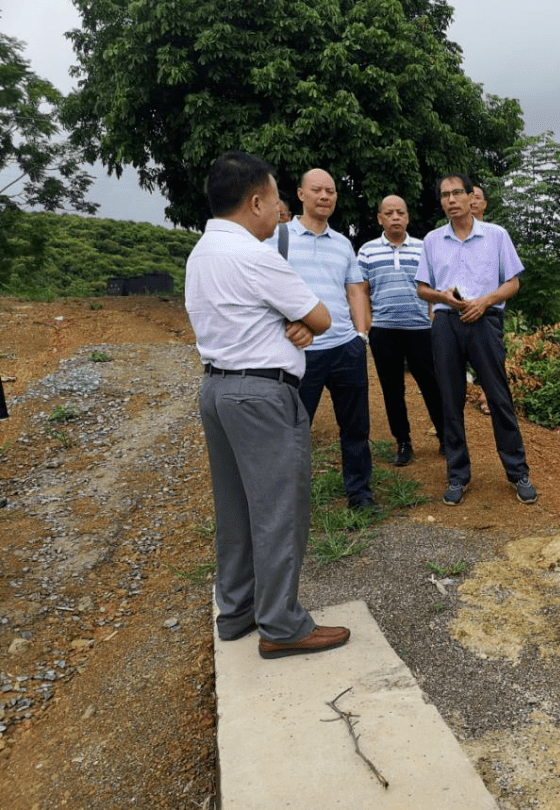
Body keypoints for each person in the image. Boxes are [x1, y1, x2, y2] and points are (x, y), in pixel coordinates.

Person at [185, 150, 349, 659]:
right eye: (277, 199)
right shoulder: (255, 256)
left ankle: (237, 612)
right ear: (256, 201)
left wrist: (287, 321)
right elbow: (320, 317)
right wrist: (300, 322)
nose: (280, 210)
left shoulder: (201, 252)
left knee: (235, 509)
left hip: (217, 390)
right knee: (279, 508)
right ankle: (282, 624)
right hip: (260, 395)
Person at [415, 173, 537, 507]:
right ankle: (457, 475)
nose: (451, 200)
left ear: (472, 197)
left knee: (498, 397)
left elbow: (512, 283)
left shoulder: (496, 236)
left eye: (457, 193)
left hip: (485, 322)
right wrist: (444, 297)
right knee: (450, 400)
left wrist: (484, 301)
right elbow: (422, 288)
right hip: (446, 323)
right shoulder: (432, 240)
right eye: (444, 195)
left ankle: (518, 472)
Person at [283, 168, 376, 510]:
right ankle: (290, 498)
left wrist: (361, 335)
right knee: (292, 429)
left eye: (331, 191)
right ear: (301, 195)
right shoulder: (279, 239)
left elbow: (355, 290)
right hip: (298, 352)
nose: (325, 196)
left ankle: (360, 493)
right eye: (317, 190)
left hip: (344, 349)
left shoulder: (343, 244)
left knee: (355, 428)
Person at [356, 195, 444, 466]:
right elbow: (361, 290)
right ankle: (403, 442)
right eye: (389, 213)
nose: (395, 217)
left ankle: (446, 436)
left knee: (432, 386)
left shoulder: (423, 248)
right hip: (383, 332)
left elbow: (435, 286)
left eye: (400, 212)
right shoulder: (367, 251)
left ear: (407, 217)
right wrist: (368, 326)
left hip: (421, 330)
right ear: (380, 218)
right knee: (392, 389)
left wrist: (433, 320)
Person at [469, 182, 491, 416]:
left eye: (478, 197)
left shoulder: (494, 234)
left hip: (487, 306)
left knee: (489, 355)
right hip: (458, 305)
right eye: (470, 196)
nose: (473, 201)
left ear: (484, 203)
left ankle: (487, 394)